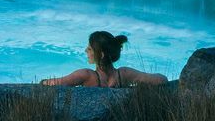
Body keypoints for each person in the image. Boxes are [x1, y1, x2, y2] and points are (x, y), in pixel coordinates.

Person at [40, 31, 168, 88]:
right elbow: (161, 79)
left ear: (100, 55)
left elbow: (55, 83)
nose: (85, 51)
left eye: (89, 49)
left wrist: (43, 81)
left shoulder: (87, 75)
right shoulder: (124, 74)